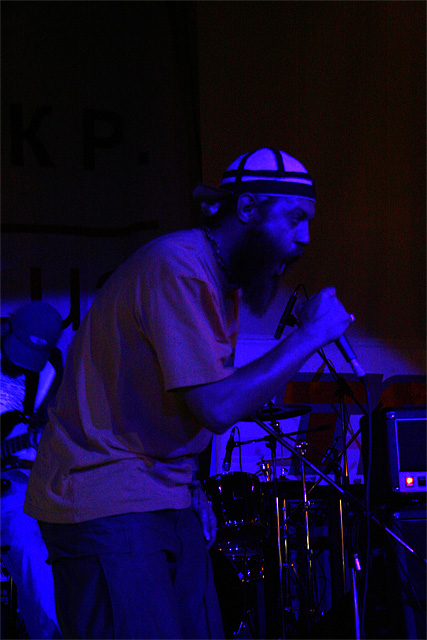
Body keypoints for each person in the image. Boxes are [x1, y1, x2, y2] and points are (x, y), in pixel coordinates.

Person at [23, 148, 354, 639]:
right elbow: (216, 406)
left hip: (163, 493)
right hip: (105, 495)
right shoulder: (177, 266)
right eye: (294, 218)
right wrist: (308, 336)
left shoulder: (217, 279)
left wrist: (192, 486)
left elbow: (175, 403)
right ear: (247, 208)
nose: (305, 238)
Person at [1, 301, 63, 639]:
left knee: (38, 545)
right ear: (8, 329)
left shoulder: (52, 368)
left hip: (19, 478)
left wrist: (44, 440)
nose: (24, 364)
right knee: (26, 538)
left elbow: (46, 425)